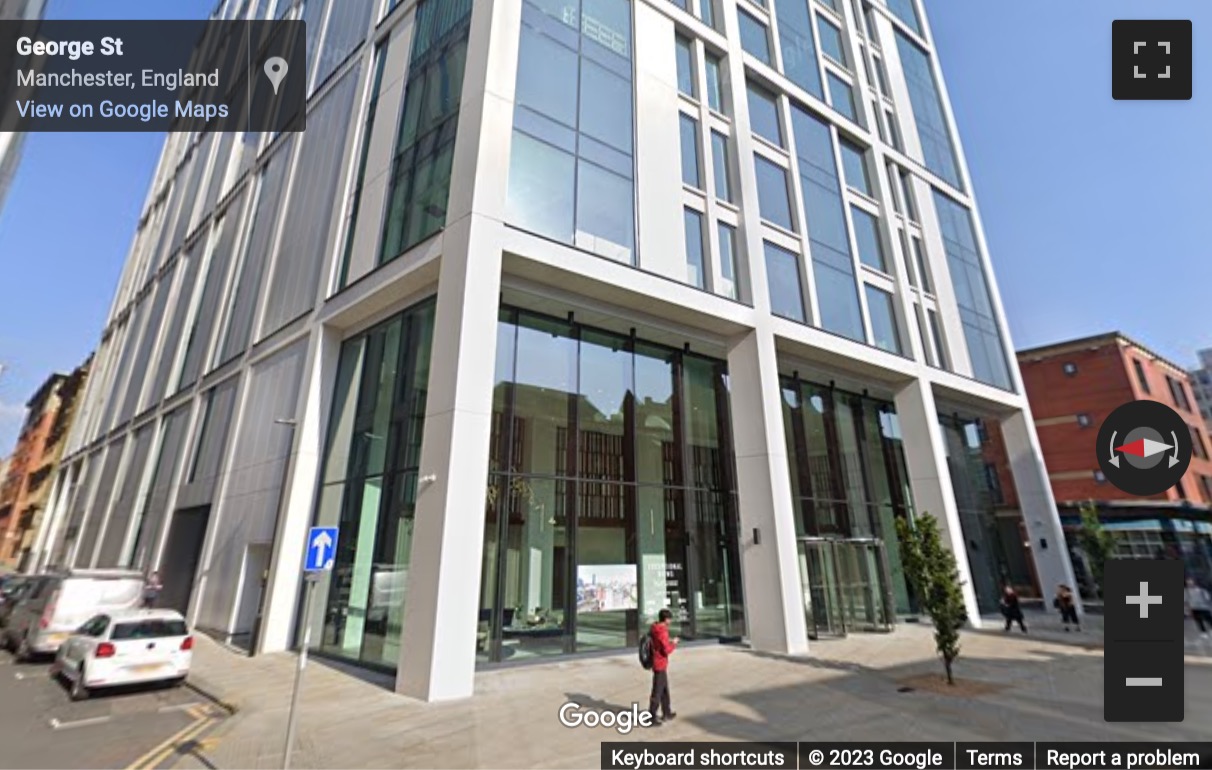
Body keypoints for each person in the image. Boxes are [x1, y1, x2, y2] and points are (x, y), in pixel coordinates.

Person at [646, 608, 678, 726]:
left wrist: (667, 641)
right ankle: (651, 717)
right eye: (670, 619)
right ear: (666, 619)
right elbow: (666, 650)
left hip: (658, 662)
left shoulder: (655, 628)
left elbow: (658, 643)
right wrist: (673, 643)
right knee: (657, 691)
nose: (670, 621)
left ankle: (667, 712)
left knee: (664, 690)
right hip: (660, 663)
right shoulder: (662, 631)